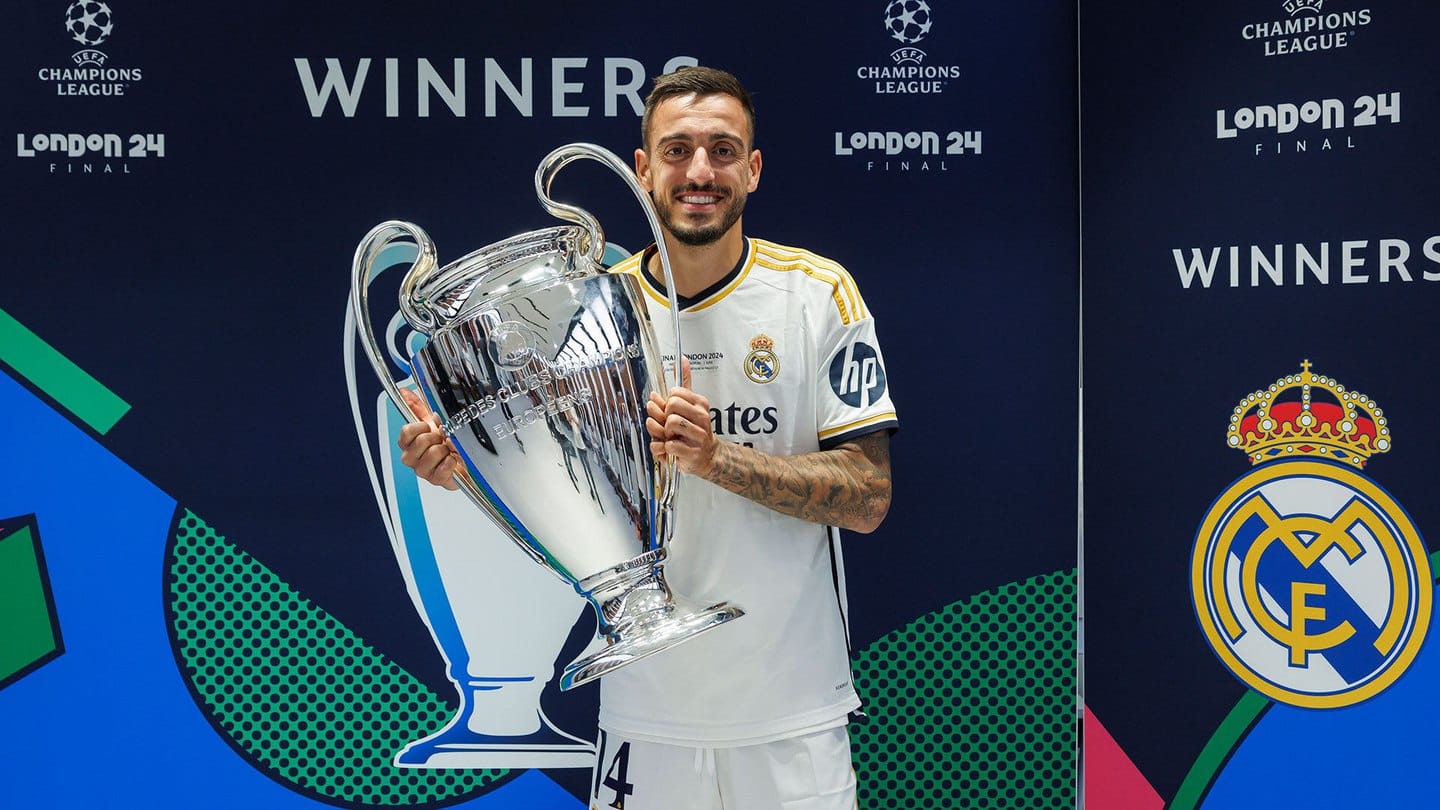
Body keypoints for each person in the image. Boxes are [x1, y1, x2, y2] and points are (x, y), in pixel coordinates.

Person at [398, 66, 898, 810]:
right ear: (642, 169)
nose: (700, 172)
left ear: (754, 169)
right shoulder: (586, 311)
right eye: (677, 150)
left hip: (790, 716)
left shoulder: (816, 293)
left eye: (723, 150)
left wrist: (716, 458)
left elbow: (868, 498)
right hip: (646, 715)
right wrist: (465, 469)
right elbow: (560, 493)